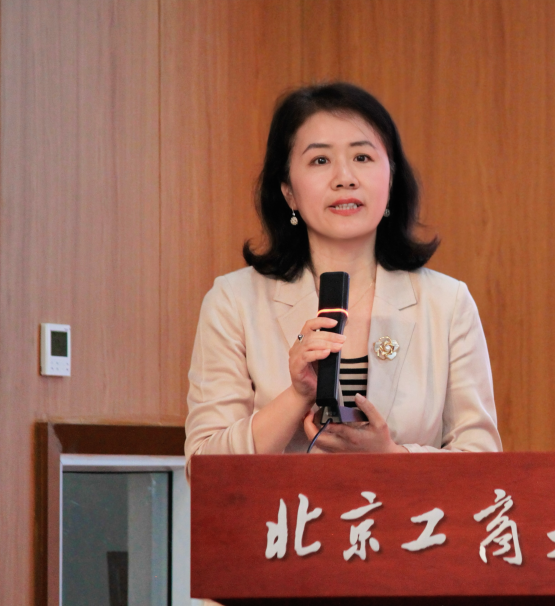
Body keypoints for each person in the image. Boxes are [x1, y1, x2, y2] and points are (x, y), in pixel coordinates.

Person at [184, 82, 501, 462]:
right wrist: (297, 396)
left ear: (391, 178)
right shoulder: (233, 302)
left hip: (403, 505)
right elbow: (203, 468)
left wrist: (391, 456)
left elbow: (482, 462)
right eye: (320, 160)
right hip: (286, 505)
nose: (345, 177)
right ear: (288, 191)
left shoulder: (447, 304)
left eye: (362, 157)